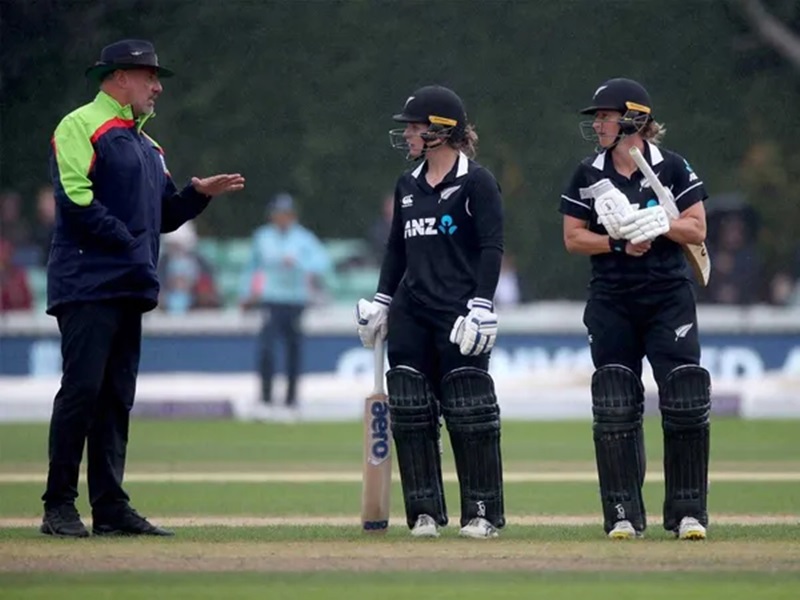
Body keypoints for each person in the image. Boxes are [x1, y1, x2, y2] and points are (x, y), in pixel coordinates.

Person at [41, 39, 245, 538]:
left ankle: (110, 507)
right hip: (87, 283)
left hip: (128, 286)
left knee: (115, 398)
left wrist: (196, 196)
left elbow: (163, 217)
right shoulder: (79, 125)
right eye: (149, 77)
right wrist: (128, 241)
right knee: (82, 392)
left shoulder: (149, 146)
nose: (157, 87)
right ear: (118, 78)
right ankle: (58, 506)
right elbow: (74, 200)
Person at [559, 78, 711, 540]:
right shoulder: (588, 173)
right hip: (612, 298)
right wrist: (618, 242)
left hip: (668, 297)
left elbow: (697, 230)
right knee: (615, 402)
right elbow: (573, 238)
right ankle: (623, 513)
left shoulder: (673, 167)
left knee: (684, 398)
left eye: (606, 116)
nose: (598, 124)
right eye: (598, 118)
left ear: (634, 120)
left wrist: (661, 222)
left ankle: (688, 513)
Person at [356, 85, 505, 539]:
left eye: (414, 128)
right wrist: (383, 301)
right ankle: (424, 513)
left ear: (439, 130)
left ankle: (481, 513)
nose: (407, 135)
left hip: (460, 317)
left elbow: (491, 247)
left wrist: (482, 304)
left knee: (469, 412)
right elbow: (396, 250)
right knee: (411, 410)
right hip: (412, 314)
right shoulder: (407, 185)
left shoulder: (477, 182)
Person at [240, 192, 331, 421]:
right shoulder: (262, 237)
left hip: (295, 299)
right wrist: (246, 293)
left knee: (294, 350)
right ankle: (265, 400)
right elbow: (252, 267)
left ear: (292, 216)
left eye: (286, 214)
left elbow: (322, 263)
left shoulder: (304, 238)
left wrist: (299, 262)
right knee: (267, 350)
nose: (282, 218)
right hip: (271, 298)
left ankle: (291, 401)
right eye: (278, 214)